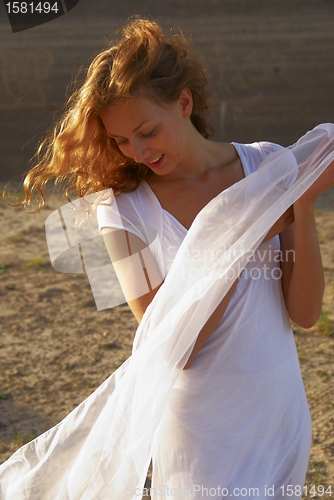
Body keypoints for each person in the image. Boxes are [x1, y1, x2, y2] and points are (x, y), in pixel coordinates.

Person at [2, 16, 334, 500]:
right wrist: (249, 227)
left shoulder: (266, 165)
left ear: (184, 103)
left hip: (278, 414)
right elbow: (178, 348)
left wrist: (298, 202)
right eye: (119, 141)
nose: (136, 152)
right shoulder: (119, 212)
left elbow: (304, 314)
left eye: (146, 131)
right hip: (204, 435)